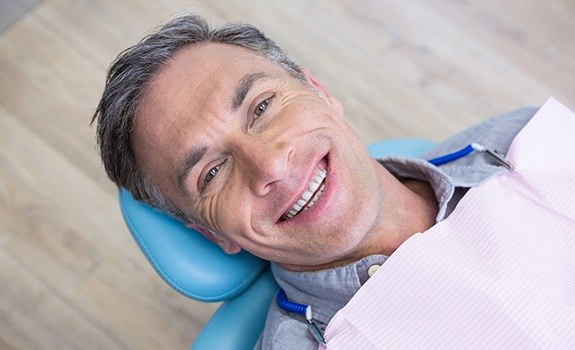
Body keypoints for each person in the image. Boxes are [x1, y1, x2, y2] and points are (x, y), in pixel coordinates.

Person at [92, 14, 537, 349]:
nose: (271, 167)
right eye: (212, 172)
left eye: (262, 108)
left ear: (318, 91)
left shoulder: (526, 139)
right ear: (210, 232)